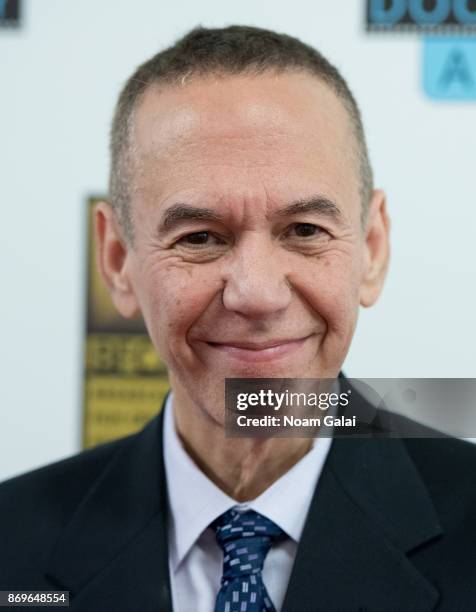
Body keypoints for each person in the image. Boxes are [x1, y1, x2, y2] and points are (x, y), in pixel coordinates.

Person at [1, 25, 475, 612]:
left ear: (371, 248)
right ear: (118, 260)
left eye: (304, 231)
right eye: (199, 237)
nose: (256, 293)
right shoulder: (10, 548)